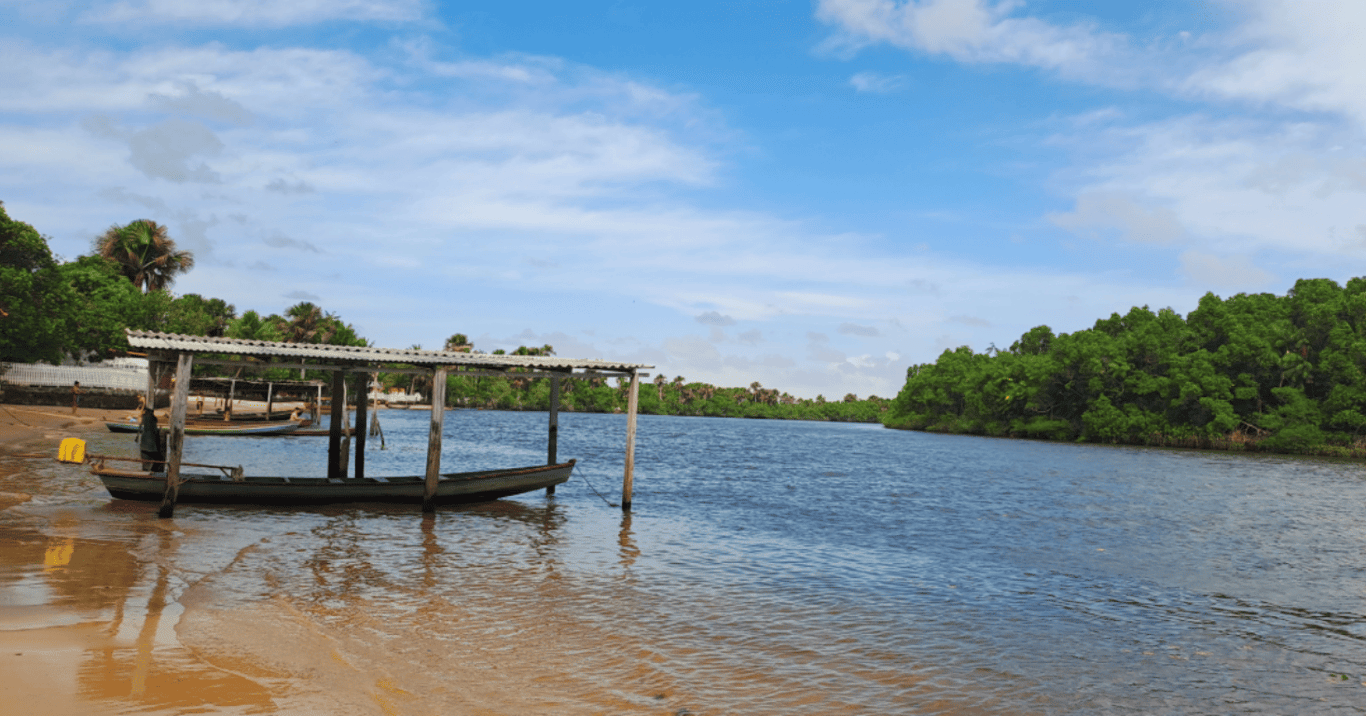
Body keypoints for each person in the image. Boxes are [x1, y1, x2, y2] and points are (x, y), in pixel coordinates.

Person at [138, 407, 165, 472]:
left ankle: (149, 471)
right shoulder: (151, 420)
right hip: (151, 448)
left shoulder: (144, 419)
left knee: (146, 464)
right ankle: (153, 471)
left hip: (144, 447)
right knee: (160, 459)